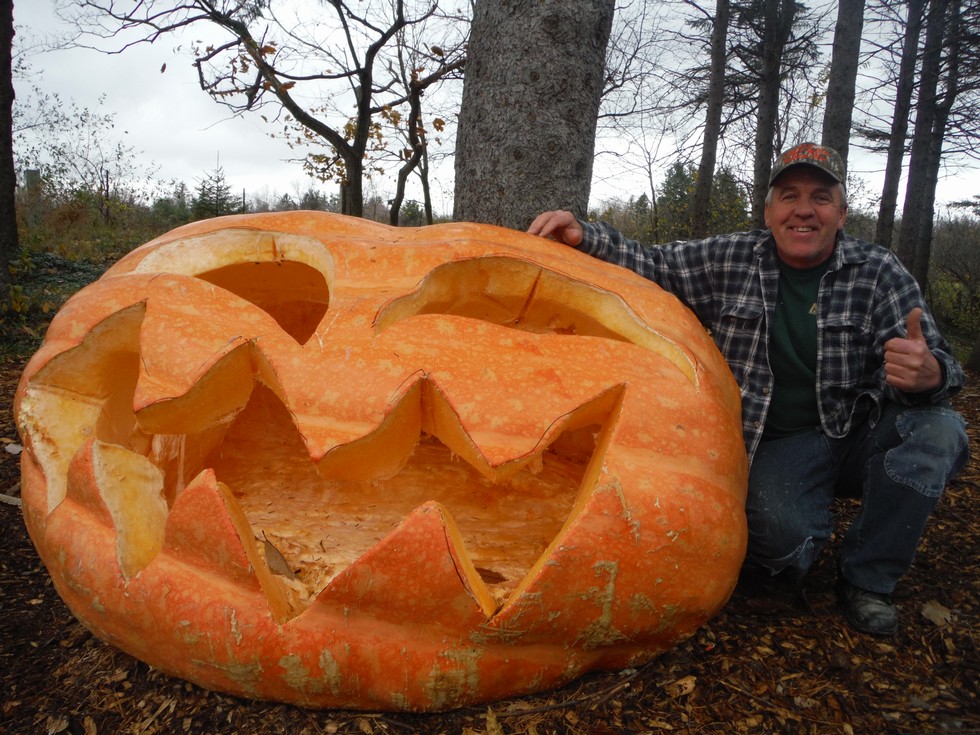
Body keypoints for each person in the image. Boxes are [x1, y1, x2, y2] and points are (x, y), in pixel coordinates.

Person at [528, 142, 970, 636]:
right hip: (780, 442)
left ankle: (869, 579)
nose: (804, 209)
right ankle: (800, 535)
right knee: (780, 545)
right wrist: (585, 235)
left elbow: (942, 364)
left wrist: (931, 374)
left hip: (858, 433)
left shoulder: (879, 271)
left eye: (821, 197)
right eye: (789, 196)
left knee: (938, 432)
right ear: (768, 211)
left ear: (841, 214)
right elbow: (653, 264)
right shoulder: (733, 258)